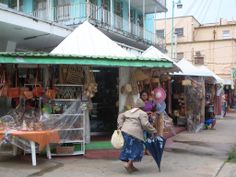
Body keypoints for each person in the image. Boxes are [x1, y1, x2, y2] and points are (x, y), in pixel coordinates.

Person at [117, 98, 157, 173]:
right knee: (137, 149)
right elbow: (145, 124)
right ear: (142, 107)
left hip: (125, 131)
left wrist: (120, 126)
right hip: (135, 133)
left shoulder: (128, 112)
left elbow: (120, 116)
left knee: (128, 148)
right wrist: (153, 130)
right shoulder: (142, 113)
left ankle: (131, 166)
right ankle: (128, 164)